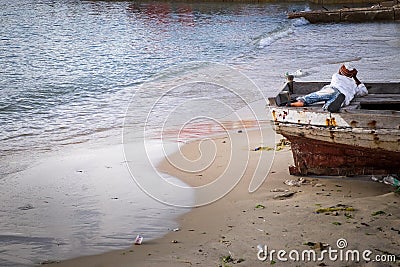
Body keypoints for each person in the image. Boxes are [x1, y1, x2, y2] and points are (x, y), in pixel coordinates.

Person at [289, 64, 368, 112]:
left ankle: (298, 101)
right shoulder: (354, 85)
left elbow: (340, 72)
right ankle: (328, 106)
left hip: (332, 89)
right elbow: (364, 92)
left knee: (315, 96)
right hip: (344, 95)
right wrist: (355, 78)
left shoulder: (336, 76)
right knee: (331, 104)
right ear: (352, 75)